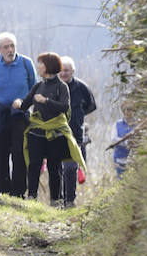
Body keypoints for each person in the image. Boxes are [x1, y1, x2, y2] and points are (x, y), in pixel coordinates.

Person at [12, 52, 83, 204]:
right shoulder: (38, 86)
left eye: (41, 64)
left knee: (54, 168)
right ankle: (31, 197)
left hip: (55, 134)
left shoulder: (61, 87)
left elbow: (64, 107)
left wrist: (46, 101)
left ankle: (55, 200)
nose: (38, 67)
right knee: (34, 165)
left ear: (49, 66)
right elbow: (25, 104)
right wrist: (18, 103)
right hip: (36, 133)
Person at [0, 32, 37, 197]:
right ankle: (2, 190)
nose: (10, 49)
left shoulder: (26, 63)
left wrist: (23, 102)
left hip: (19, 115)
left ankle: (19, 191)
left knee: (19, 152)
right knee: (0, 154)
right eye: (6, 47)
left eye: (12, 46)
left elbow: (33, 87)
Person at [59, 56, 96, 206]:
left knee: (71, 167)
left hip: (75, 134)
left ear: (73, 71)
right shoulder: (52, 87)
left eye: (67, 71)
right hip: (56, 133)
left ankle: (70, 200)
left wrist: (78, 116)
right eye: (61, 71)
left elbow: (91, 105)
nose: (63, 74)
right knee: (57, 169)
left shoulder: (82, 88)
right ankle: (58, 199)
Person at [112, 103, 134, 177]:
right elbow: (114, 140)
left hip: (133, 160)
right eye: (125, 110)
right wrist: (126, 142)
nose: (127, 112)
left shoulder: (137, 125)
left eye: (129, 109)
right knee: (121, 181)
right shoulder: (117, 124)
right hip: (119, 159)